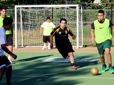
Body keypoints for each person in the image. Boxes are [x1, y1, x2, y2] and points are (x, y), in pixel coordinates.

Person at [0, 17, 17, 85]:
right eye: (11, 25)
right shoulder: (2, 32)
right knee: (3, 67)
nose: (11, 26)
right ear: (9, 24)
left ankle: (8, 83)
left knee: (9, 66)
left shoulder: (2, 30)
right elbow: (3, 46)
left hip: (1, 54)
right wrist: (11, 54)